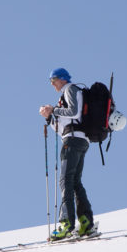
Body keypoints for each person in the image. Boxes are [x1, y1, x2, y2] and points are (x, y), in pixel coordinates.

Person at [39, 67, 97, 241]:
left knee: (65, 180)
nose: (52, 84)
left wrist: (54, 109)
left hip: (73, 140)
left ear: (62, 79)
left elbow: (73, 112)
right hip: (78, 139)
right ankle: (86, 222)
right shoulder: (66, 94)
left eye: (53, 80)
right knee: (75, 181)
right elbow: (62, 129)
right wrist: (49, 117)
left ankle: (67, 224)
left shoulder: (70, 89)